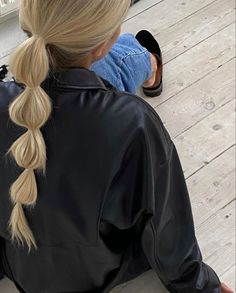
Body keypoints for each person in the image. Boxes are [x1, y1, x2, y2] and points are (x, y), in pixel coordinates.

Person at [0, 1, 233, 292]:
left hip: (17, 268)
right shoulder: (134, 124)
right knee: (118, 65)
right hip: (104, 274)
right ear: (100, 45)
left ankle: (143, 58)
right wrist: (203, 288)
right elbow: (166, 233)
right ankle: (147, 60)